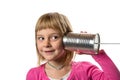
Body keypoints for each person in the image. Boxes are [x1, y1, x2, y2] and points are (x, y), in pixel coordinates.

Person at [26, 12, 120, 80]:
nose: (46, 44)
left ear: (68, 38)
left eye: (54, 37)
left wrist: (95, 52)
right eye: (41, 38)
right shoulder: (33, 74)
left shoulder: (86, 70)